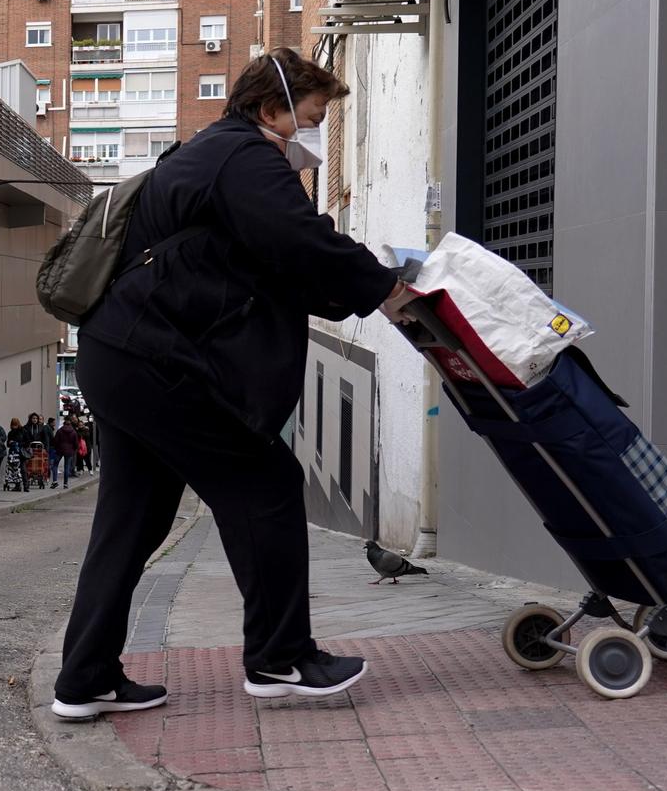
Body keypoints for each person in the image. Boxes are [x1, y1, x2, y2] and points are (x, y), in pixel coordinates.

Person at [53, 48, 418, 721]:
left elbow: (277, 267)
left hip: (117, 353)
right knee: (265, 482)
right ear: (270, 106)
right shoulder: (244, 157)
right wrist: (386, 289)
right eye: (311, 117)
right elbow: (302, 240)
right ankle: (280, 659)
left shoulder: (213, 157)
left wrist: (353, 294)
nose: (312, 132)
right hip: (153, 360)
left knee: (131, 520)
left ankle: (84, 677)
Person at [52, 417, 79, 488]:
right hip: (69, 451)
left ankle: (55, 481)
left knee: (55, 465)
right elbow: (76, 443)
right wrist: (74, 450)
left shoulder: (60, 431)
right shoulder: (73, 432)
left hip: (59, 450)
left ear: (64, 423)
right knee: (66, 467)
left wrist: (56, 448)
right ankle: (65, 484)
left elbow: (55, 441)